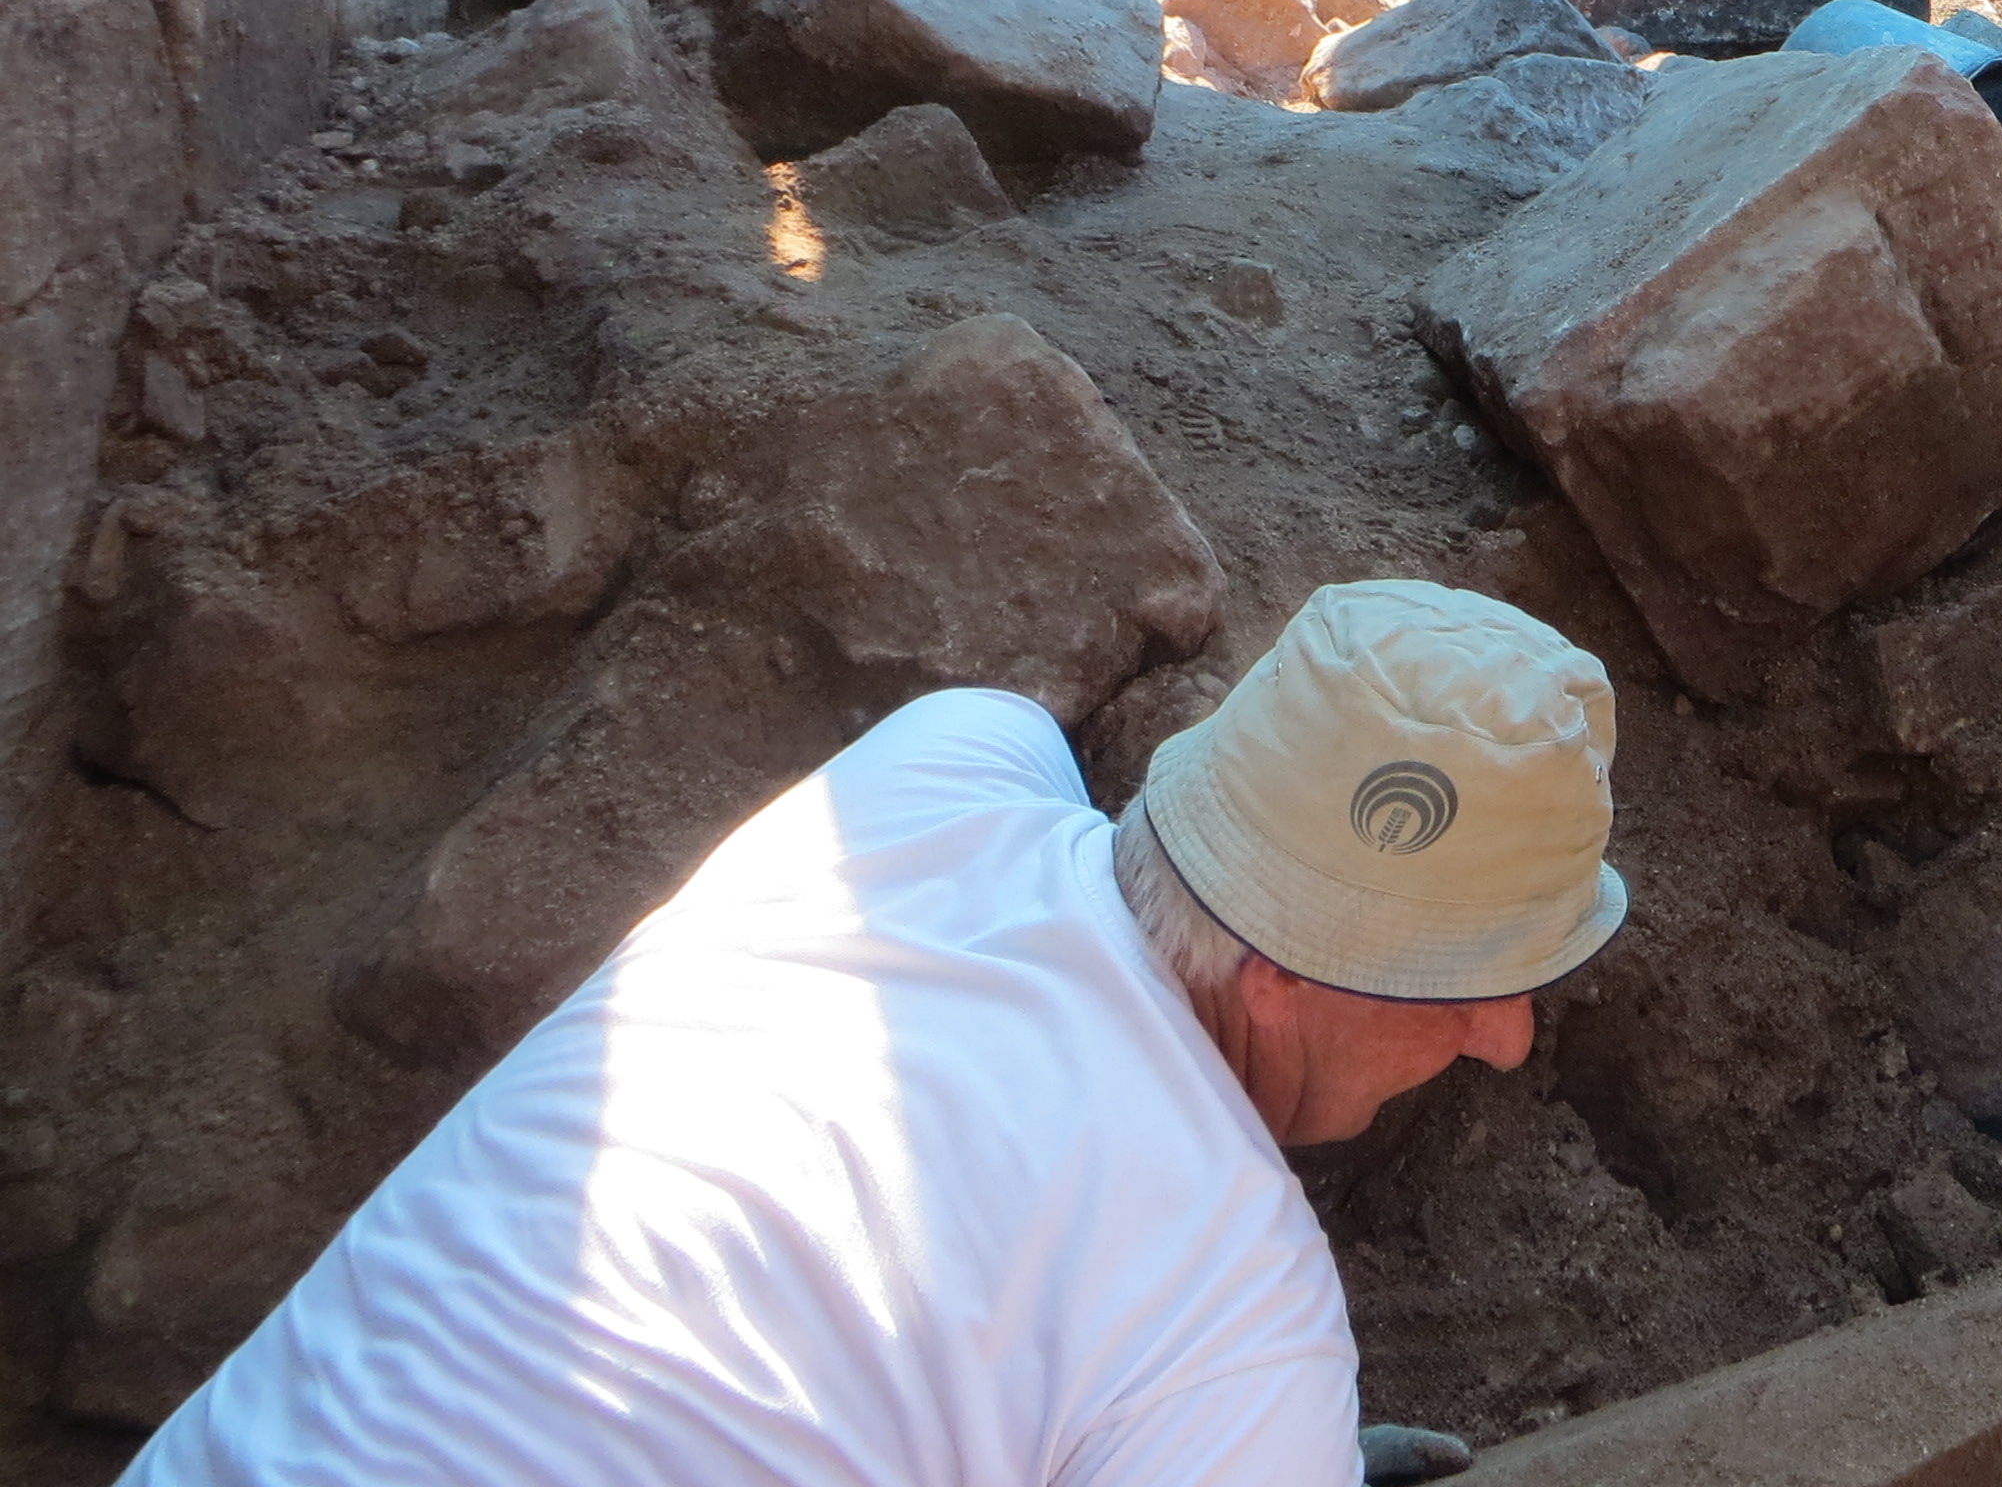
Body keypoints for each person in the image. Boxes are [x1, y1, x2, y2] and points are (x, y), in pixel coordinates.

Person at [126, 580, 1625, 1486]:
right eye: (1458, 982)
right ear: (1276, 978)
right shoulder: (1240, 1320)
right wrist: (1253, 1442)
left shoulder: (949, 760)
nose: (1503, 1039)